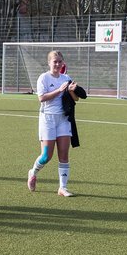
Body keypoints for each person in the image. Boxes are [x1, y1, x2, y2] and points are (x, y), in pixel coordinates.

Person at [27, 49, 78, 197]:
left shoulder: (66, 77)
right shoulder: (43, 78)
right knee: (46, 156)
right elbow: (41, 98)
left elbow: (76, 99)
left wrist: (72, 90)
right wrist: (59, 90)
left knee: (64, 155)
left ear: (63, 63)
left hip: (63, 119)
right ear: (49, 63)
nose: (57, 64)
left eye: (59, 61)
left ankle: (62, 187)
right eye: (54, 61)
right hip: (47, 118)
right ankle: (33, 172)